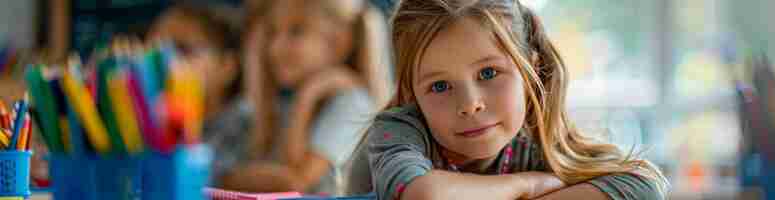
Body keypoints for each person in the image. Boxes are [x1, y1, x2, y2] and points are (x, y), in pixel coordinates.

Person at [346, 0, 669, 199]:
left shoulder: (537, 140)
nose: (470, 104)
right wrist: (527, 186)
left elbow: (643, 188)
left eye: (488, 74)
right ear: (411, 93)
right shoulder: (397, 134)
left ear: (531, 68)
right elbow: (425, 196)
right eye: (441, 86)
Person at [217, 0, 391, 195]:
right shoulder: (284, 101)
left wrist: (307, 96)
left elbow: (296, 182)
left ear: (339, 43)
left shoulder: (353, 103)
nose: (275, 47)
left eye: (296, 32)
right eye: (273, 33)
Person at [148, 3, 246, 186]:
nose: (166, 62)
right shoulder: (150, 120)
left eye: (183, 50)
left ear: (227, 67)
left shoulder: (245, 122)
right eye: (154, 52)